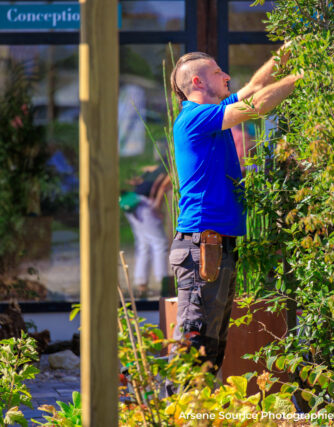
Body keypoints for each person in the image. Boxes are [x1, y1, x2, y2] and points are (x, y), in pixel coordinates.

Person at [166, 44, 302, 395]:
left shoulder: (213, 112)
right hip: (201, 247)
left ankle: (198, 412)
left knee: (210, 348)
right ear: (197, 82)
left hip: (214, 246)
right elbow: (257, 106)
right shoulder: (195, 118)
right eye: (217, 72)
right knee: (194, 346)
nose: (226, 76)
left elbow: (254, 89)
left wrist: (286, 56)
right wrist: (305, 76)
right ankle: (173, 413)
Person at [122, 164, 172, 299]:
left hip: (133, 201)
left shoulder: (160, 167)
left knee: (143, 244)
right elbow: (163, 186)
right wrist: (157, 206)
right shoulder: (172, 168)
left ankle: (141, 284)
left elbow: (147, 168)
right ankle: (164, 282)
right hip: (144, 204)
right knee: (160, 243)